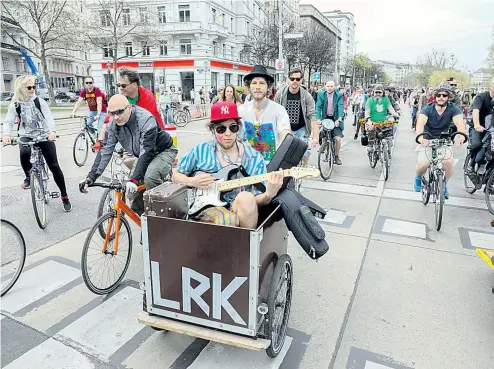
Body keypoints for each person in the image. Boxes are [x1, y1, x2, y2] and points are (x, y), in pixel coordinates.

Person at [172, 101, 284, 229]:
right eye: (221, 129)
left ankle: (247, 246)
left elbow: (259, 199)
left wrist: (269, 194)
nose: (228, 133)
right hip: (206, 208)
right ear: (212, 130)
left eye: (233, 127)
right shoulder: (200, 151)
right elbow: (175, 175)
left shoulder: (254, 157)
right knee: (227, 219)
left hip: (242, 211)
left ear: (239, 128)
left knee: (246, 198)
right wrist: (191, 181)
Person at [79, 95, 177, 214]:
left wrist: (135, 179)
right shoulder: (112, 125)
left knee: (149, 177)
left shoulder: (146, 119)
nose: (116, 117)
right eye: (112, 113)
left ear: (129, 107)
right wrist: (91, 177)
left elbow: (147, 151)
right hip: (142, 154)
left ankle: (159, 215)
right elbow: (105, 151)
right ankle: (141, 215)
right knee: (134, 190)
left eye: (119, 112)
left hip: (164, 151)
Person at [3, 75, 72, 211]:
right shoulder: (15, 104)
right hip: (26, 135)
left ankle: (64, 196)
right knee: (24, 153)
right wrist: (6, 134)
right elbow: (9, 121)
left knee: (54, 165)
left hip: (44, 135)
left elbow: (49, 117)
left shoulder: (39, 102)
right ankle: (29, 176)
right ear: (21, 88)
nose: (32, 89)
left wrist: (52, 131)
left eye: (34, 86)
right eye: (29, 87)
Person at [413, 84, 466, 198]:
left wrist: (460, 136)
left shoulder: (453, 109)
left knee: (448, 163)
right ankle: (418, 178)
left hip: (443, 140)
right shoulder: (428, 108)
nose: (441, 97)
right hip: (427, 139)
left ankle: (444, 184)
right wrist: (421, 138)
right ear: (435, 96)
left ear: (448, 97)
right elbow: (420, 123)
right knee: (423, 164)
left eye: (444, 95)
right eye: (438, 95)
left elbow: (459, 123)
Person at [95, 68, 164, 150]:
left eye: (123, 85)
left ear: (134, 85)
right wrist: (100, 140)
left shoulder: (147, 96)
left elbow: (146, 122)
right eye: (118, 85)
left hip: (154, 133)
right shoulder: (121, 98)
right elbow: (109, 118)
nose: (120, 88)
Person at [238, 65, 291, 162]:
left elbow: (285, 136)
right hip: (247, 164)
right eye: (254, 83)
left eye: (262, 83)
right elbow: (236, 137)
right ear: (249, 88)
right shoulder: (241, 111)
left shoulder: (278, 110)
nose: (258, 87)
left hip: (271, 165)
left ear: (268, 87)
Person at [274, 69, 317, 166]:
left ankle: (305, 165)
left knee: (304, 149)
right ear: (288, 79)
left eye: (297, 79)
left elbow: (312, 115)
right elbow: (274, 112)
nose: (294, 81)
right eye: (292, 78)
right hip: (285, 128)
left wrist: (315, 136)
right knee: (283, 152)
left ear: (301, 80)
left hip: (301, 128)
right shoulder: (280, 94)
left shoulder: (306, 95)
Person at [468, 78, 494, 173]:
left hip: (491, 129)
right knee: (476, 144)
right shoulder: (481, 97)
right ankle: (471, 163)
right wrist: (477, 125)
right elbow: (476, 111)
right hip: (479, 127)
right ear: (491, 86)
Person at [315, 80, 344, 165]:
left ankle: (336, 156)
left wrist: (339, 118)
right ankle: (325, 147)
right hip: (325, 117)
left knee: (337, 138)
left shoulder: (338, 95)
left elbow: (340, 106)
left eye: (331, 86)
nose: (329, 88)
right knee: (323, 134)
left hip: (335, 118)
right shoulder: (321, 94)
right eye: (328, 86)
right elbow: (318, 107)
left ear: (334, 87)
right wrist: (318, 118)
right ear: (325, 87)